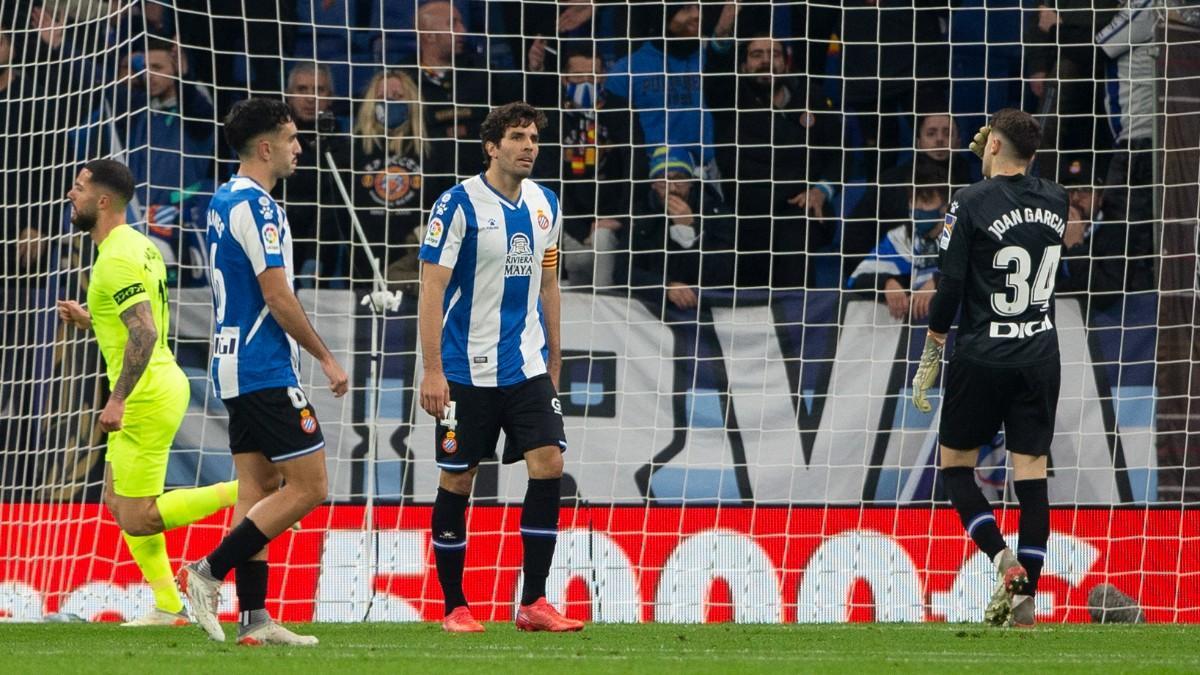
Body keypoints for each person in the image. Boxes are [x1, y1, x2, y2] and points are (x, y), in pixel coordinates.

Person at [179, 99, 349, 646]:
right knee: (311, 485)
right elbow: (277, 297)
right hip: (263, 365)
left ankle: (255, 619)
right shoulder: (259, 208)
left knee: (257, 488)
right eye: (293, 138)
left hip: (232, 363)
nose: (301, 148)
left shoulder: (222, 200)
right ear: (266, 146)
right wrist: (324, 356)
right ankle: (207, 571)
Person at [417, 101, 582, 634]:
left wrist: (554, 361)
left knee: (549, 464)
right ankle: (455, 607)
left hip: (527, 364)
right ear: (492, 146)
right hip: (465, 371)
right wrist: (432, 369)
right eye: (517, 137)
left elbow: (549, 285)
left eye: (533, 137)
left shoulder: (546, 205)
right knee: (459, 478)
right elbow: (432, 287)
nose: (529, 145)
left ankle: (533, 601)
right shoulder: (457, 205)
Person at [57, 159, 238, 627]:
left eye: (78, 188)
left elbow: (144, 333)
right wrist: (90, 317)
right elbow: (135, 316)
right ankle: (168, 606)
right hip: (153, 384)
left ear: (102, 200)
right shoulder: (137, 245)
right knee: (117, 500)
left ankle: (249, 494)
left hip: (145, 392)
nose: (69, 196)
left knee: (138, 517)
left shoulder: (115, 258)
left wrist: (116, 400)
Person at [911, 109, 1069, 629]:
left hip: (982, 356)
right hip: (1039, 355)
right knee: (1032, 474)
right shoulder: (1057, 199)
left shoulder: (969, 202)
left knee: (955, 467)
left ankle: (1003, 560)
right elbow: (1025, 193)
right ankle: (1028, 596)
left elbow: (950, 286)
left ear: (994, 146)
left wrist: (934, 345)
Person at [333, 69, 426, 292]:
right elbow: (339, 213)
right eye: (383, 97)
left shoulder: (431, 153)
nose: (390, 102)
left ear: (411, 102)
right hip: (363, 262)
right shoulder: (351, 152)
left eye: (398, 96)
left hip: (412, 264)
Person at [629, 147, 735, 311]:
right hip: (655, 307)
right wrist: (665, 286)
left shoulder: (716, 212)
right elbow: (624, 271)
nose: (672, 189)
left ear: (691, 182)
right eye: (663, 181)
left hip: (705, 307)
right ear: (653, 185)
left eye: (679, 179)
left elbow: (724, 273)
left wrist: (692, 233)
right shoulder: (640, 214)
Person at [847, 163, 950, 322]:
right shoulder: (902, 237)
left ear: (945, 207)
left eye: (926, 201)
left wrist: (937, 283)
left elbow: (977, 274)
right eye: (912, 201)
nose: (917, 208)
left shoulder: (962, 233)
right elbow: (856, 279)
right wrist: (887, 283)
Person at [283, 62, 348, 288]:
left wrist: (315, 254)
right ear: (289, 96)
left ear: (330, 98)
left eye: (319, 90)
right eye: (302, 90)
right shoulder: (273, 139)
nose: (310, 98)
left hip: (323, 243)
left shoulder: (341, 145)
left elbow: (334, 203)